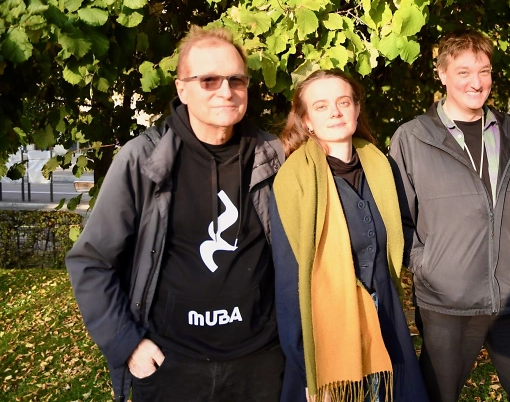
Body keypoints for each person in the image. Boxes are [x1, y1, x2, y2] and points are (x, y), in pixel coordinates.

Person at [66, 26, 286, 402]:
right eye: (209, 80)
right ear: (182, 89)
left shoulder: (273, 157)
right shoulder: (143, 160)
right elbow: (91, 261)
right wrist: (127, 344)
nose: (226, 91)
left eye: (236, 80)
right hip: (171, 367)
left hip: (260, 366)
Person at [388, 30, 510, 402]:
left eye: (484, 71)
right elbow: (397, 220)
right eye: (463, 72)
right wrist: (428, 265)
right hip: (447, 305)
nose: (476, 83)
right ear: (442, 74)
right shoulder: (412, 138)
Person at [270, 69, 428, 402]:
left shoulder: (380, 167)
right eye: (321, 106)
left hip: (386, 322)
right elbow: (289, 282)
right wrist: (309, 369)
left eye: (343, 102)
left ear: (356, 109)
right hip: (329, 334)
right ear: (307, 121)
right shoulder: (293, 182)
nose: (335, 112)